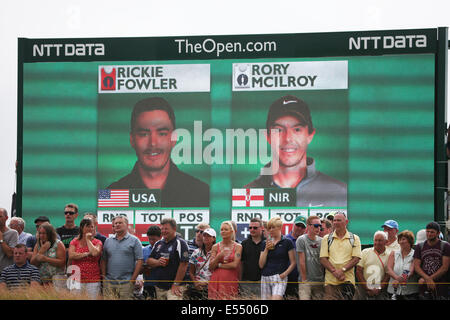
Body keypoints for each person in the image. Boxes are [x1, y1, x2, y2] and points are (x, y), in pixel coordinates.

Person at [244, 95, 347, 208]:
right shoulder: (246, 195)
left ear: (310, 135)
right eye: (278, 130)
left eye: (297, 129)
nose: (288, 138)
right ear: (267, 136)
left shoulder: (340, 193)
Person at [107, 97, 210, 207]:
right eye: (144, 134)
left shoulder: (202, 193)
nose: (153, 143)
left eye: (162, 133)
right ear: (132, 140)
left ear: (174, 138)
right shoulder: (110, 194)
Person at [319, 212, 361, 300]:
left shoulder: (354, 238)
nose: (336, 223)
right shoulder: (326, 238)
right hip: (330, 282)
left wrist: (342, 270)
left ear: (346, 222)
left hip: (347, 280)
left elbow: (356, 258)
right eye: (334, 220)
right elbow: (323, 259)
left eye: (339, 220)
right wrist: (335, 272)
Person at [101, 216, 143, 299]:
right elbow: (103, 260)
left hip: (126, 283)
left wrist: (132, 280)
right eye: (116, 223)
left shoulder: (135, 240)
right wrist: (104, 278)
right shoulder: (108, 241)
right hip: (109, 282)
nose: (117, 225)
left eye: (120, 223)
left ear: (127, 225)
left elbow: (140, 260)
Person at [146, 218, 189, 300]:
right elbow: (149, 261)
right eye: (162, 229)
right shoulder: (158, 243)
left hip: (175, 286)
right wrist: (158, 262)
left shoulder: (180, 243)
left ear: (174, 229)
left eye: (166, 229)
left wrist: (176, 284)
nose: (163, 231)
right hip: (160, 286)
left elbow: (184, 264)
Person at [259, 216, 296, 300]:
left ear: (280, 227)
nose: (271, 230)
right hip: (265, 276)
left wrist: (284, 274)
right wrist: (266, 250)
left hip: (279, 276)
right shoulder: (265, 243)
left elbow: (293, 262)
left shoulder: (287, 242)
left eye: (273, 227)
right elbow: (261, 265)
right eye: (269, 228)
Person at [413, 221, 450, 299]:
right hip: (424, 285)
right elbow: (416, 266)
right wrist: (427, 279)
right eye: (427, 232)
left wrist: (429, 279)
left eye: (432, 232)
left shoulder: (445, 246)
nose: (429, 234)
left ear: (438, 233)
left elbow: (445, 267)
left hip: (441, 286)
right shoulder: (420, 246)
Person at [68, 218, 103, 299]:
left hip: (93, 279)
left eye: (92, 227)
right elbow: (71, 255)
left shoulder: (97, 242)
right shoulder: (74, 241)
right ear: (81, 228)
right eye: (88, 226)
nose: (90, 229)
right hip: (76, 278)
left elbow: (94, 253)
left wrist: (88, 240)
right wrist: (86, 254)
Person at [209, 221, 243, 300]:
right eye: (221, 230)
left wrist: (219, 265)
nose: (223, 231)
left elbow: (235, 264)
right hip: (216, 279)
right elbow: (210, 267)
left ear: (231, 232)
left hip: (230, 280)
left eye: (226, 229)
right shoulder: (215, 247)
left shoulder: (238, 246)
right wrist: (218, 257)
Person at [355, 231, 390, 300]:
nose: (377, 243)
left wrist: (379, 288)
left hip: (380, 291)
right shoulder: (365, 252)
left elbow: (387, 275)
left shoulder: (389, 255)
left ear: (386, 242)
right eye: (375, 240)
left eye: (380, 240)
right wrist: (367, 288)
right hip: (363, 289)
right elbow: (358, 271)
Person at [297, 215, 324, 300]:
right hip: (306, 280)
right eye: (316, 226)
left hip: (319, 280)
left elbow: (323, 260)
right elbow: (302, 261)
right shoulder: (301, 239)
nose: (318, 228)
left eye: (320, 226)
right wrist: (304, 280)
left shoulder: (322, 241)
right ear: (308, 226)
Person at [30, 222, 66, 287]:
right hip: (42, 280)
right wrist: (41, 251)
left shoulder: (58, 244)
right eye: (40, 233)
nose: (41, 235)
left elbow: (62, 263)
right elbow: (32, 263)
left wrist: (46, 259)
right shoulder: (37, 245)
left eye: (44, 233)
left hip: (56, 279)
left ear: (50, 234)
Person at [386, 230, 419, 300]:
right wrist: (396, 278)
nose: (401, 242)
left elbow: (411, 270)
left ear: (410, 241)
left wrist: (399, 280)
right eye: (400, 240)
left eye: (403, 239)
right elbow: (389, 269)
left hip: (410, 292)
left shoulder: (415, 254)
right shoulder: (393, 253)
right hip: (393, 291)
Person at [185, 228, 216, 300]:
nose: (206, 237)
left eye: (209, 236)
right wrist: (195, 283)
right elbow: (191, 271)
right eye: (204, 236)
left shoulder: (218, 252)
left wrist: (206, 283)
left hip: (212, 287)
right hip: (197, 287)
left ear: (214, 239)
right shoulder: (196, 252)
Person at [240, 218, 265, 298]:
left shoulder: (267, 243)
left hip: (263, 282)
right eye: (250, 228)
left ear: (262, 228)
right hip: (246, 282)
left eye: (255, 228)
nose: (252, 230)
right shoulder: (244, 243)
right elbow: (241, 263)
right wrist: (240, 280)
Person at [285, 215, 306, 299]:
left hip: (303, 280)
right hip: (287, 280)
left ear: (306, 229)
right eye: (298, 225)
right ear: (293, 225)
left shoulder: (307, 242)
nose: (300, 228)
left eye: (302, 226)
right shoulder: (284, 240)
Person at [141, 225, 162, 299]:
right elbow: (139, 270)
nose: (151, 242)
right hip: (148, 285)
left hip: (163, 286)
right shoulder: (144, 250)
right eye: (149, 239)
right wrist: (144, 268)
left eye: (154, 239)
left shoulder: (166, 249)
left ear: (160, 237)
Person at [0, 208, 19, 273]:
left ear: (6, 217)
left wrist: (1, 239)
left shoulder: (13, 233)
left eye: (0, 216)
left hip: (6, 273)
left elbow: (10, 254)